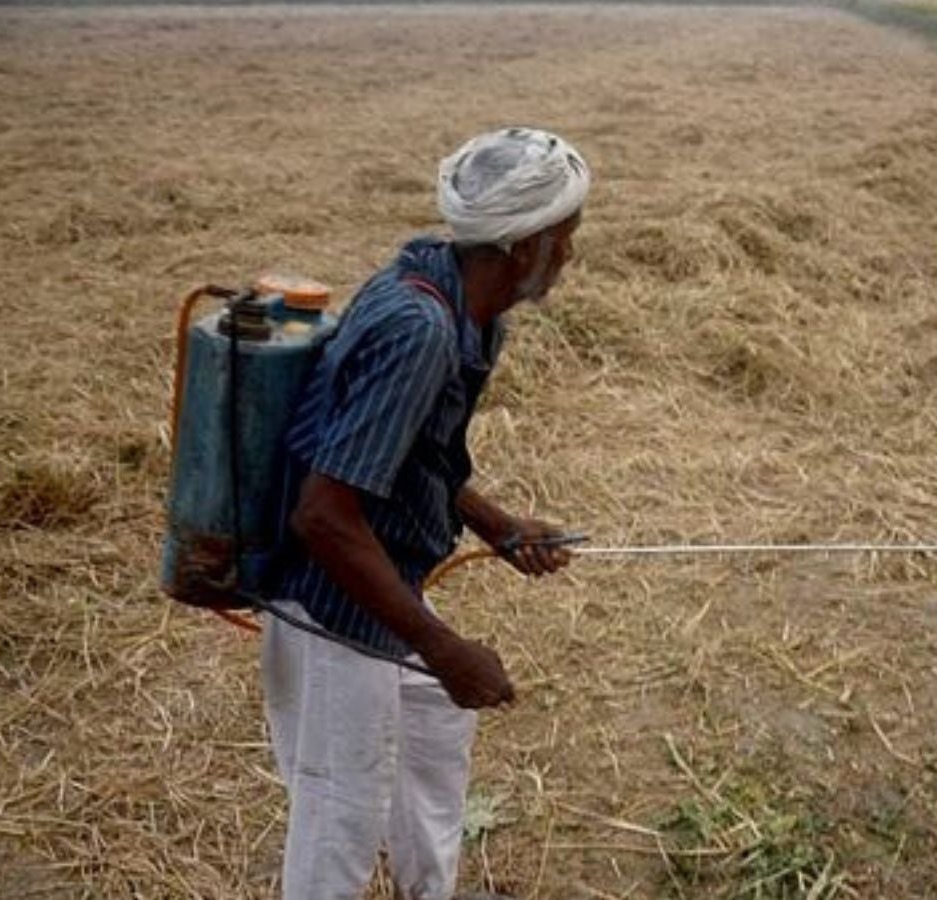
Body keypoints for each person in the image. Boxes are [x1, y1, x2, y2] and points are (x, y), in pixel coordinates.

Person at [261, 127, 590, 900]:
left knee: (439, 737)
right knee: (339, 818)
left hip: (383, 587)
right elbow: (324, 514)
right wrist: (443, 646)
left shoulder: (462, 302)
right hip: (331, 604)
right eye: (565, 239)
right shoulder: (420, 330)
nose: (571, 256)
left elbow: (403, 453)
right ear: (522, 246)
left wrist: (494, 522)